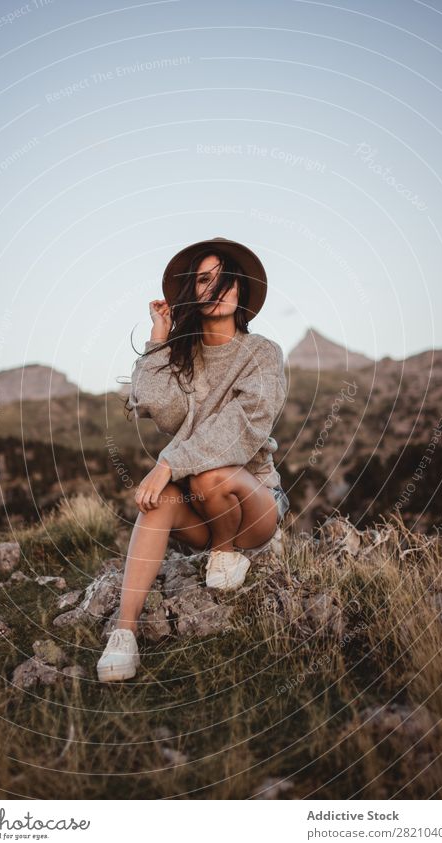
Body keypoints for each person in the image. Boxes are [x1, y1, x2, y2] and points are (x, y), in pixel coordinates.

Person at [97, 236, 289, 683]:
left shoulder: (262, 354)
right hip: (199, 511)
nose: (216, 287)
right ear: (192, 292)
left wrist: (167, 463)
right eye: (204, 280)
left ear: (240, 289)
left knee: (211, 474)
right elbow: (158, 408)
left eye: (225, 279)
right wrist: (159, 340)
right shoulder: (184, 357)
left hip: (253, 504)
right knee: (162, 496)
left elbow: (243, 429)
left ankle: (229, 552)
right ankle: (123, 634)